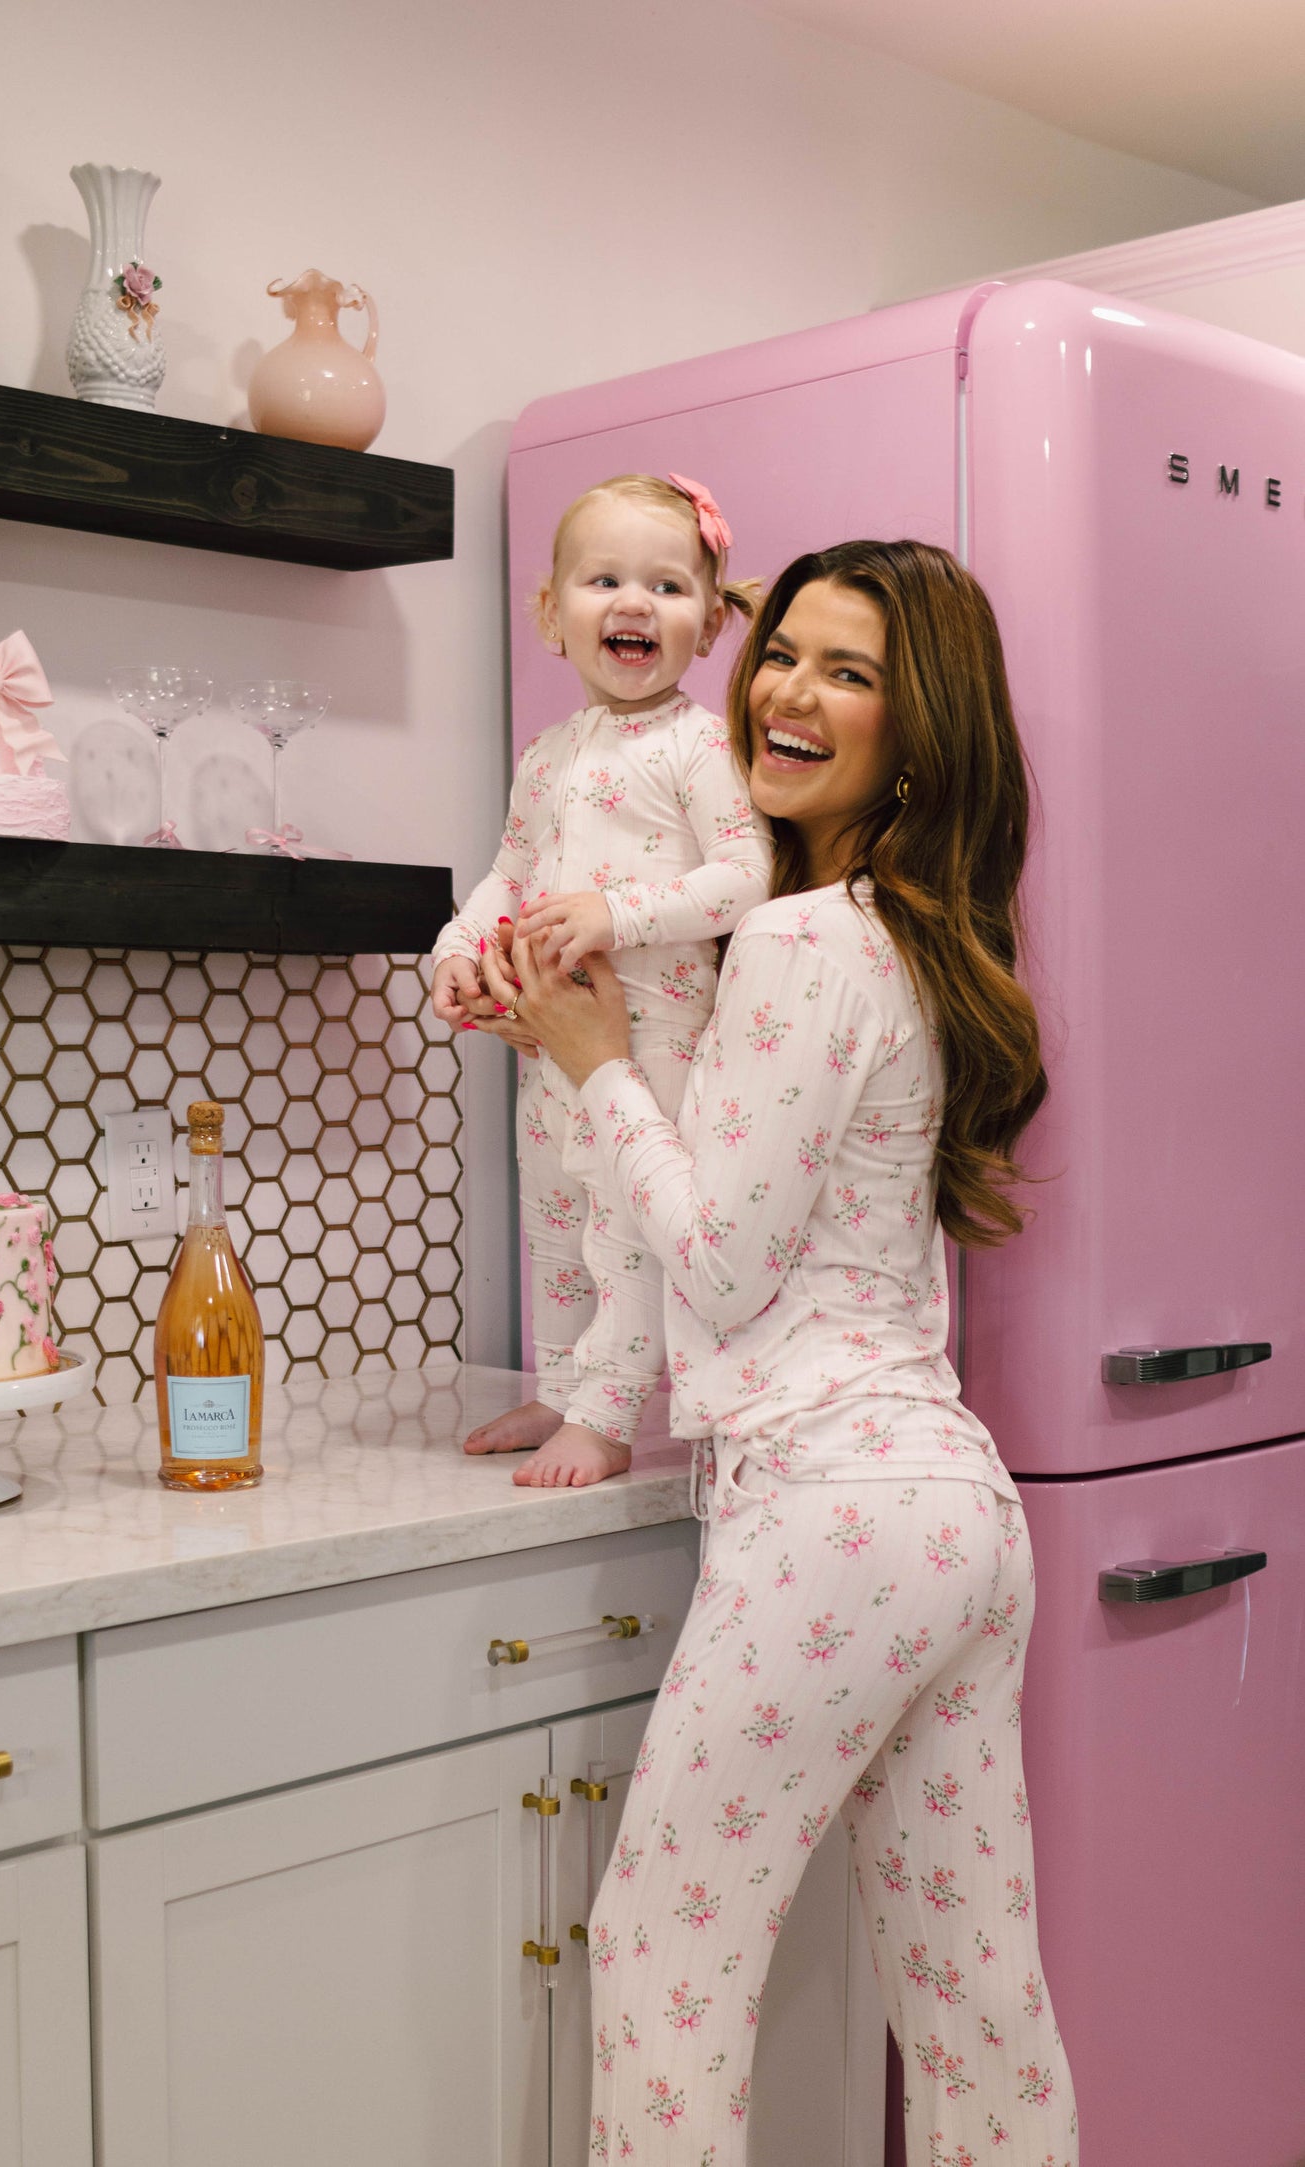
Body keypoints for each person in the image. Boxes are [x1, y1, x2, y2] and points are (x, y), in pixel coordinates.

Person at [484, 541, 1078, 2164]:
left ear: (919, 732)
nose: (789, 693)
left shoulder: (814, 944)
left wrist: (597, 1060)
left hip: (829, 1517)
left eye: (852, 671)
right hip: (953, 1515)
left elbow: (722, 1269)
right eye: (786, 653)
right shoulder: (925, 935)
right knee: (975, 2008)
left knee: (663, 1957)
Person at [431, 472, 773, 1487]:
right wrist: (457, 950)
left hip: (655, 1039)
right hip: (548, 1037)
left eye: (667, 588)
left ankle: (611, 1413)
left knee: (625, 1223)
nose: (633, 603)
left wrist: (613, 913)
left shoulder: (701, 745)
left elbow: (748, 874)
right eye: (604, 580)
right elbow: (507, 871)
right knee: (550, 1212)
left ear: (709, 624)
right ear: (551, 614)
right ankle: (561, 1382)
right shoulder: (545, 757)